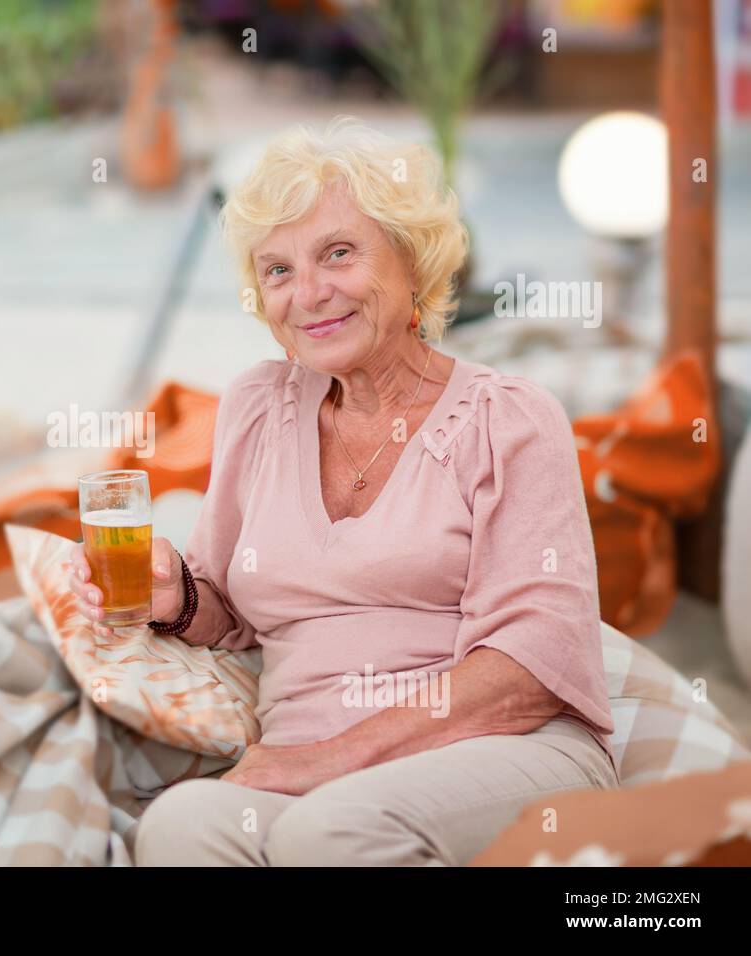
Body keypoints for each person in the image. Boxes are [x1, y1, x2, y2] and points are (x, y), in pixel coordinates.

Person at [67, 117, 618, 866]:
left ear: (412, 261)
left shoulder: (509, 418)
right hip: (305, 769)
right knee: (180, 823)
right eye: (278, 270)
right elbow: (229, 607)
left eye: (338, 253)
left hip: (497, 751)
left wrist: (331, 759)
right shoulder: (258, 407)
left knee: (331, 832)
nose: (310, 294)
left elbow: (536, 660)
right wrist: (177, 596)